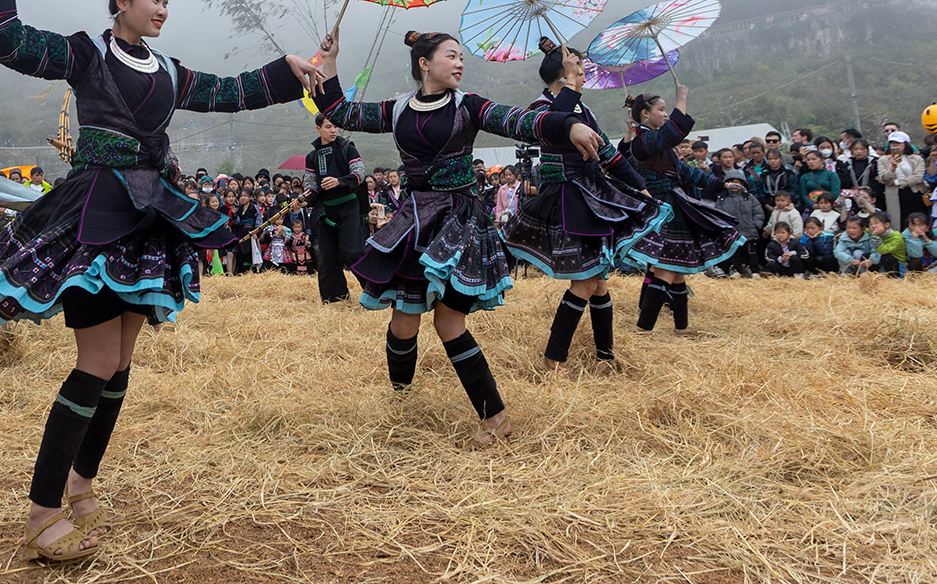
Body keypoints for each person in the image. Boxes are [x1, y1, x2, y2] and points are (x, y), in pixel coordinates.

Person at [0, 0, 320, 562]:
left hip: (147, 216)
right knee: (96, 362)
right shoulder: (84, 52)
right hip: (94, 218)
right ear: (121, 1)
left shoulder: (169, 69)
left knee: (121, 363)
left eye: (167, 2)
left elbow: (230, 91)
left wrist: (289, 71)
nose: (162, 10)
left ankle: (82, 478)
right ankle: (42, 511)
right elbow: (7, 41)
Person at [311, 26, 601, 445]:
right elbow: (339, 112)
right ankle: (402, 402)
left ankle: (495, 419)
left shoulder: (470, 106)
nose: (460, 63)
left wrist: (569, 115)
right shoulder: (396, 109)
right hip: (413, 222)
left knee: (449, 322)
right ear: (425, 64)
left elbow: (523, 122)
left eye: (462, 56)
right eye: (451, 56)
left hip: (462, 223)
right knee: (403, 323)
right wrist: (332, 60)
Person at [502, 39, 667, 370]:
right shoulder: (540, 107)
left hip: (593, 193)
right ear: (560, 70)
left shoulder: (584, 110)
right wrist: (572, 88)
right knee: (587, 280)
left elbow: (607, 152)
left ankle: (605, 357)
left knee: (599, 280)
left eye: (581, 64)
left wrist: (641, 188)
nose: (583, 68)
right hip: (566, 197)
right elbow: (550, 127)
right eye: (576, 62)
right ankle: (553, 358)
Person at [623, 86, 744, 334]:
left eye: (668, 110)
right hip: (663, 206)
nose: (666, 114)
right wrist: (682, 98)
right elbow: (674, 132)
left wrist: (721, 184)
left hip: (672, 202)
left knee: (676, 270)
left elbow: (687, 173)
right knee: (668, 268)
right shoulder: (644, 142)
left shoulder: (653, 141)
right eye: (662, 109)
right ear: (645, 113)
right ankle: (643, 330)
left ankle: (681, 329)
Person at [303, 113, 365, 303]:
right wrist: (304, 200)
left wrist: (339, 181)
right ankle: (335, 299)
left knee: (351, 252)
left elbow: (360, 174)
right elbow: (311, 186)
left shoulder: (347, 148)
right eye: (328, 127)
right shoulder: (312, 156)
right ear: (318, 129)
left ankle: (376, 291)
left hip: (348, 207)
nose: (333, 130)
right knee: (327, 256)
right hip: (325, 210)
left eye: (335, 127)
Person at [713, 169, 763, 277]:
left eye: (738, 182)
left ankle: (754, 270)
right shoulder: (722, 199)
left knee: (752, 253)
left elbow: (758, 213)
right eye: (732, 181)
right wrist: (724, 229)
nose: (735, 184)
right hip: (731, 233)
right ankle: (736, 270)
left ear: (743, 183)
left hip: (750, 231)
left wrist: (755, 225)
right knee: (735, 253)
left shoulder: (749, 198)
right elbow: (718, 215)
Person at [795, 149, 841, 213]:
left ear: (822, 160)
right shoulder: (805, 177)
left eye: (814, 159)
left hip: (828, 205)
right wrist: (812, 205)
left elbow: (835, 191)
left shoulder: (832, 175)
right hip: (812, 207)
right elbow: (803, 194)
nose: (811, 162)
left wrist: (825, 203)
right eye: (808, 160)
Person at [869, 212, 907, 276]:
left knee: (886, 257)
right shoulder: (876, 232)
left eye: (876, 223)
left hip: (899, 265)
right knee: (866, 255)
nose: (873, 226)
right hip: (882, 263)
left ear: (887, 225)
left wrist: (875, 236)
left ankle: (893, 279)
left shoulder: (896, 237)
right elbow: (865, 230)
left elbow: (882, 251)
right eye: (870, 224)